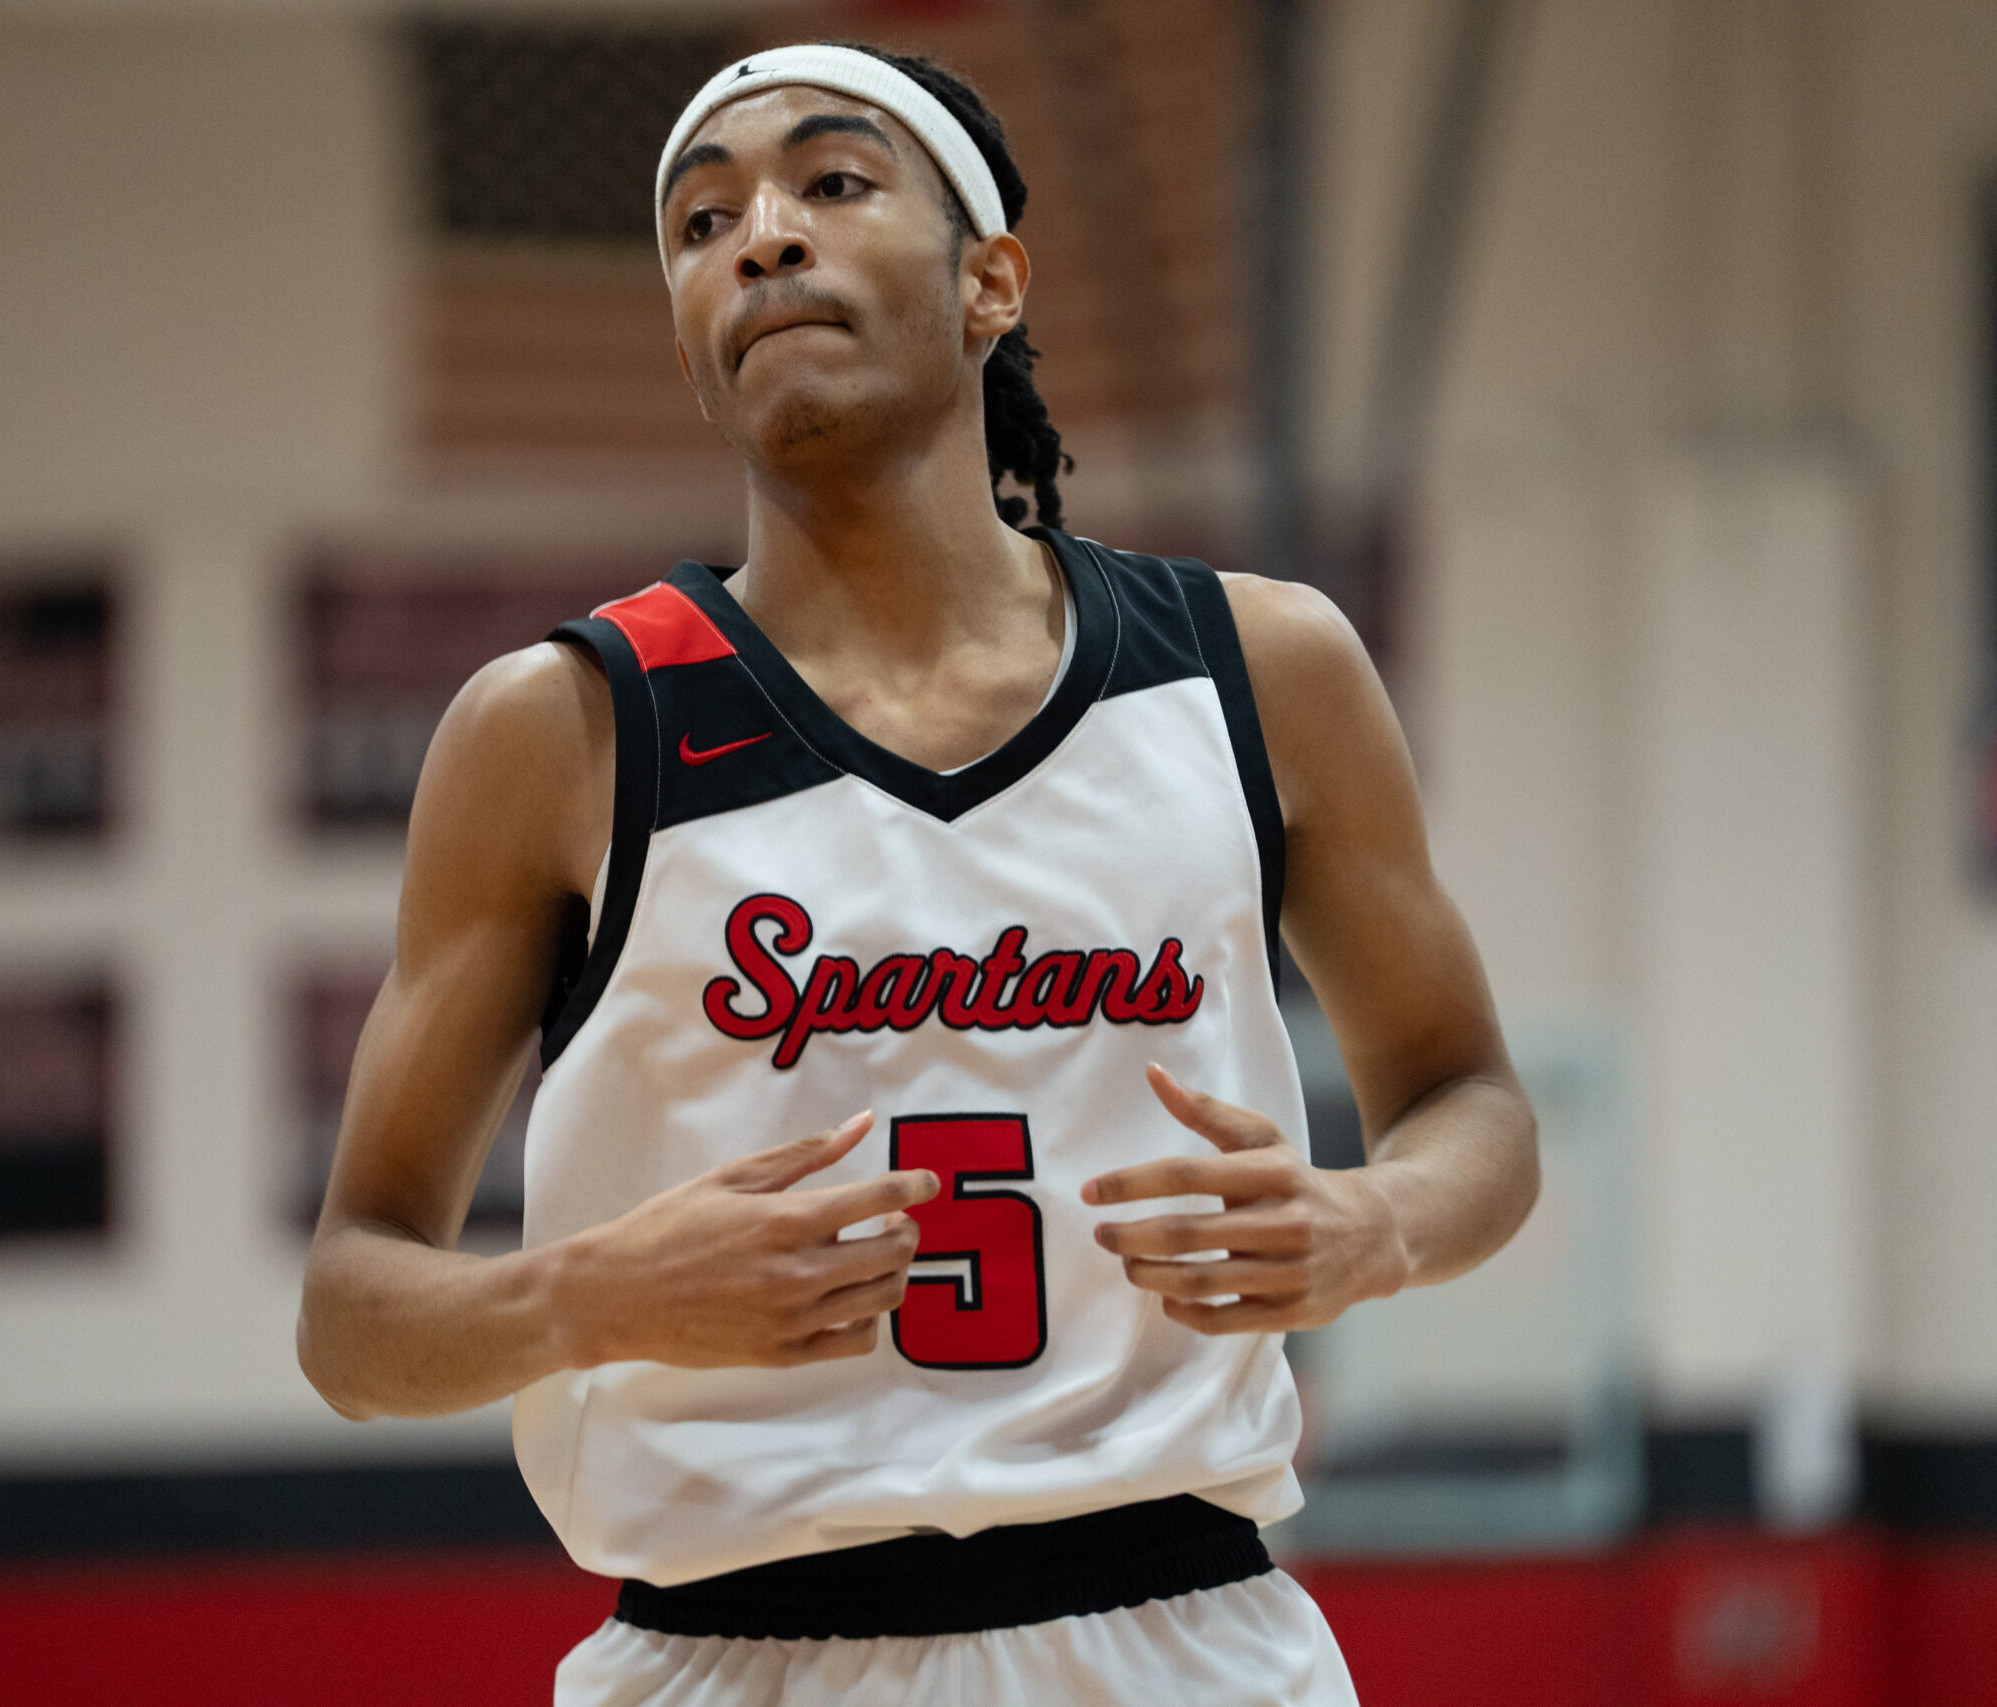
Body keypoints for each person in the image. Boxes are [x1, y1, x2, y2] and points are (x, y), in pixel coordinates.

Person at [298, 41, 1538, 1707]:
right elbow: (352, 1321)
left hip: (1184, 1640)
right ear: (687, 334)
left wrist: (1370, 1224)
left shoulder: (1255, 668)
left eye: (831, 182)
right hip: (727, 1655)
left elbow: (1476, 1107)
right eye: (702, 218)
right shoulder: (563, 731)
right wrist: (589, 1295)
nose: (761, 237)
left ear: (990, 282)